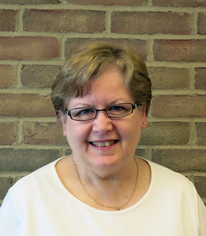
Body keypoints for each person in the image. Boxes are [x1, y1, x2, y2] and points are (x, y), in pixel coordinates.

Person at [0, 43, 205, 236]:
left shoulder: (180, 196)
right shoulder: (26, 202)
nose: (102, 126)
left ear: (143, 113)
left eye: (117, 108)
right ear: (63, 121)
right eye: (84, 111)